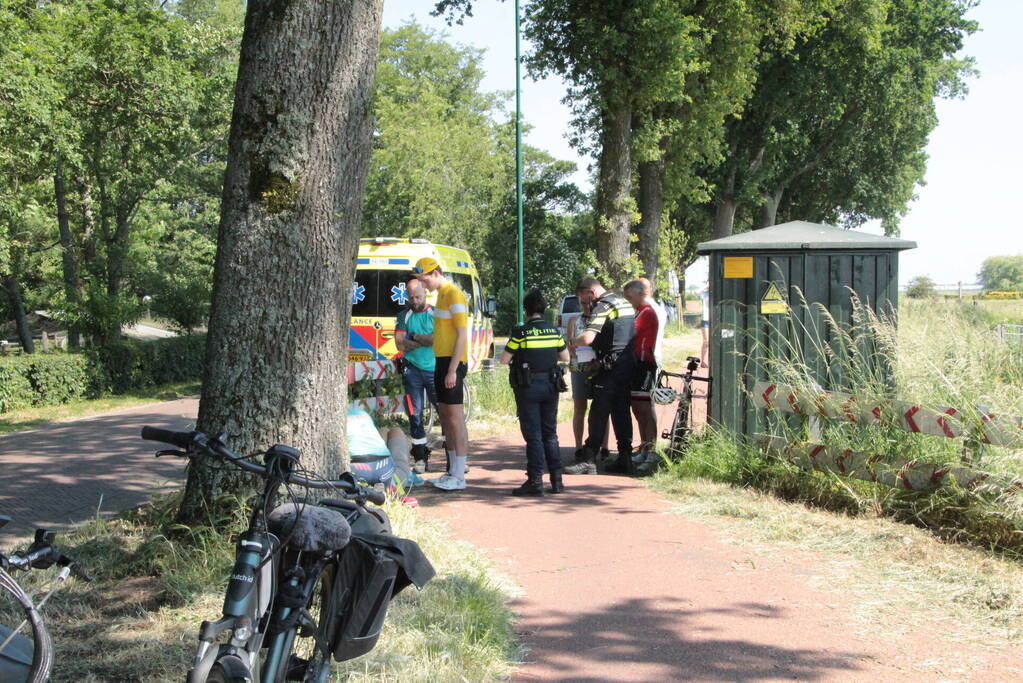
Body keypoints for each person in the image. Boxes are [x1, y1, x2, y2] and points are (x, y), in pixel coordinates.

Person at [501, 289, 570, 496]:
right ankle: (557, 481)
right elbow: (565, 356)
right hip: (551, 385)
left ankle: (535, 482)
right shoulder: (553, 331)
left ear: (526, 311)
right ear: (543, 309)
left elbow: (504, 360)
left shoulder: (521, 333)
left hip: (528, 387)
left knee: (534, 436)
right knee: (550, 433)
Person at [565, 276, 636, 475]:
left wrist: (572, 342)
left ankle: (589, 460)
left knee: (597, 412)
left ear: (591, 292)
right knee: (621, 412)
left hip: (609, 367)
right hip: (627, 364)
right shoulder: (624, 303)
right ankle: (625, 458)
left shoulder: (603, 306)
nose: (587, 305)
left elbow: (587, 337)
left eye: (585, 300)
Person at [413, 257, 470, 491]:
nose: (422, 283)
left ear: (435, 272)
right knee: (446, 417)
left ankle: (459, 473)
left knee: (455, 419)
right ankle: (452, 471)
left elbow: (462, 335)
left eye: (424, 278)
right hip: (441, 360)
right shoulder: (442, 296)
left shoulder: (454, 294)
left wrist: (453, 369)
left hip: (452, 362)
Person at [394, 277, 437, 473]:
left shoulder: (435, 314)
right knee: (414, 413)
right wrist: (422, 340)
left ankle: (453, 456)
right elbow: (399, 343)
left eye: (418, 297)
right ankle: (420, 456)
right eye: (411, 297)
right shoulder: (404, 315)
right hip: (412, 369)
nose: (415, 301)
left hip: (435, 369)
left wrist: (415, 337)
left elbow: (437, 339)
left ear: (425, 293)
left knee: (444, 412)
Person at [567, 288, 611, 462]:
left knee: (602, 408)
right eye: (583, 303)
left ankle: (605, 446)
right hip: (579, 367)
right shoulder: (573, 320)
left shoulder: (601, 318)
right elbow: (569, 344)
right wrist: (575, 350)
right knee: (579, 408)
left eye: (589, 303)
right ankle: (578, 446)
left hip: (598, 367)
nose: (586, 307)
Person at [624, 280, 660, 472]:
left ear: (639, 294)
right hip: (636, 363)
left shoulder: (646, 312)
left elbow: (630, 331)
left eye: (629, 296)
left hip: (644, 363)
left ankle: (652, 451)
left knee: (645, 408)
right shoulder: (638, 310)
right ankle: (645, 448)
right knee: (638, 408)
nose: (628, 300)